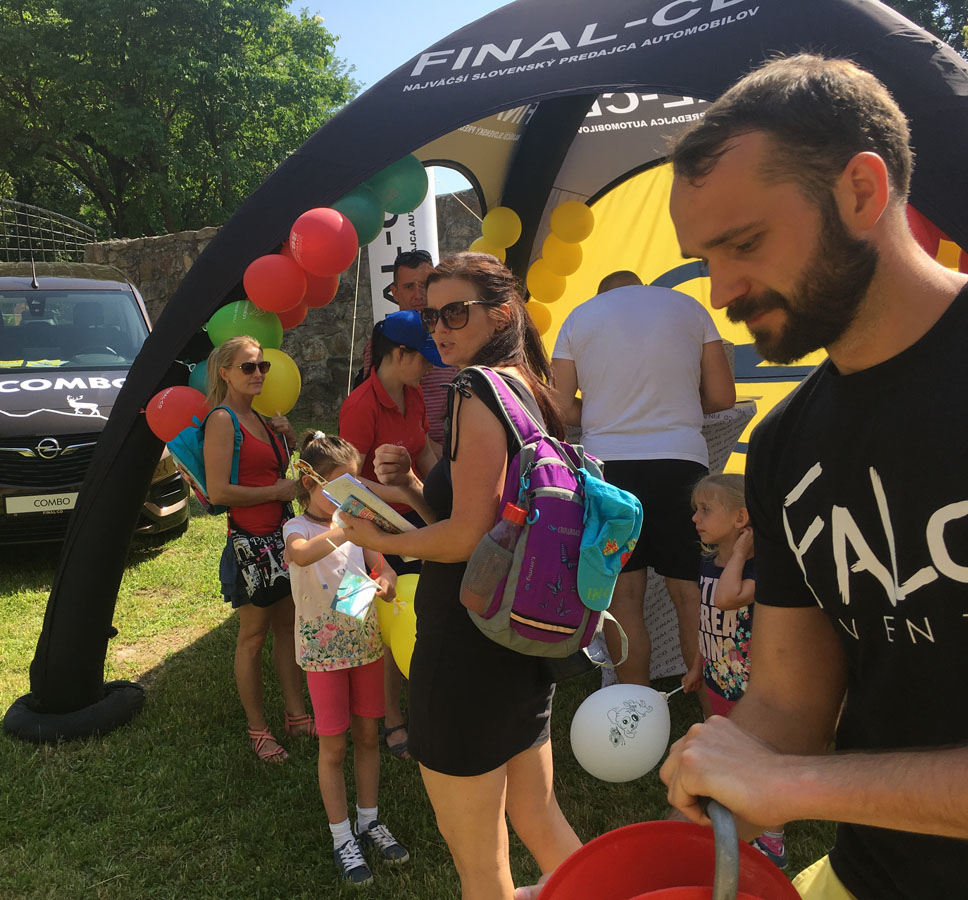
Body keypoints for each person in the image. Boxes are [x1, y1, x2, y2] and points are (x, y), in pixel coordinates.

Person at [658, 54, 968, 899]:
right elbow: (791, 703)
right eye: (704, 257)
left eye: (744, 243)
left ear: (861, 191)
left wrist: (796, 785)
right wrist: (722, 773)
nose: (721, 289)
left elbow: (795, 770)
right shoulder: (785, 444)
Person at [341, 252, 582, 900]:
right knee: (541, 818)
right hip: (520, 636)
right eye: (429, 315)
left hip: (465, 645)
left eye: (454, 313)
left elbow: (468, 538)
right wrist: (412, 490)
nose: (438, 329)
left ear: (500, 314)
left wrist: (375, 538)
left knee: (482, 868)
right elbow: (492, 524)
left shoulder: (475, 389)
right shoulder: (528, 387)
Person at [550, 271, 735, 686]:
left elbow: (558, 407)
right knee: (689, 595)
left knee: (623, 597)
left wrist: (600, 410)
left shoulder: (579, 317)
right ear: (643, 286)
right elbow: (723, 396)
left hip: (609, 470)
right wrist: (679, 405)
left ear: (602, 294)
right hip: (681, 465)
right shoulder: (690, 308)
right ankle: (712, 707)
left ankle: (637, 705)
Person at [282, 431, 409, 885]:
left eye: (355, 486)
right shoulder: (297, 528)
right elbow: (300, 556)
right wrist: (344, 529)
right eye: (340, 488)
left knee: (368, 735)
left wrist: (386, 580)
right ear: (308, 483)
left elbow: (383, 566)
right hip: (323, 656)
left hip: (365, 645)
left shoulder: (357, 525)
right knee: (333, 746)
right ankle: (342, 837)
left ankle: (369, 820)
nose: (350, 497)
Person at [340, 308, 447, 759]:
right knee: (388, 620)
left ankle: (426, 702)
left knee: (426, 610)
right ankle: (391, 717)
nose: (428, 368)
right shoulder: (359, 406)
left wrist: (443, 497)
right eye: (422, 358)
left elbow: (425, 455)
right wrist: (404, 489)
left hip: (416, 518)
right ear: (398, 354)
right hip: (376, 530)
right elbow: (346, 482)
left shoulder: (414, 394)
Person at [202, 335, 311, 763]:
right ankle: (258, 730)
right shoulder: (222, 420)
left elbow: (275, 471)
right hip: (250, 543)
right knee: (252, 636)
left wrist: (290, 440)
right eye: (248, 367)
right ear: (225, 373)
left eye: (262, 366)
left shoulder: (263, 419)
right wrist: (274, 491)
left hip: (281, 539)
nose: (258, 373)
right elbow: (218, 492)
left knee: (288, 627)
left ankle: (297, 716)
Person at [685, 473, 786, 869]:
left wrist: (741, 552)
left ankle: (772, 837)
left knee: (760, 758)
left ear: (741, 518)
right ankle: (735, 811)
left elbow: (727, 598)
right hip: (717, 680)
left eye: (706, 510)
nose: (696, 518)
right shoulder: (708, 563)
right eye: (696, 509)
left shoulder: (761, 571)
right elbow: (706, 620)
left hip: (750, 687)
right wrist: (697, 664)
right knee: (726, 750)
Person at [360, 249, 459, 448]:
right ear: (395, 292)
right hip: (398, 451)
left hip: (446, 450)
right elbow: (372, 408)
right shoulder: (382, 342)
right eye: (409, 286)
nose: (418, 294)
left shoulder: (454, 337)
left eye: (424, 285)